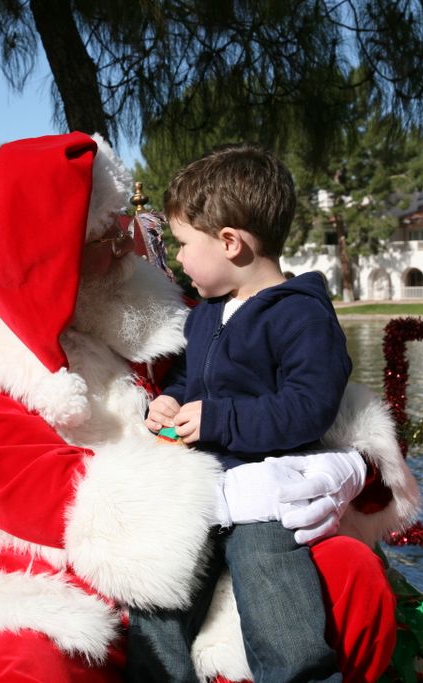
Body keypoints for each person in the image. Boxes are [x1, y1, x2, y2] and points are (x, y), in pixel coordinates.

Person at [0, 132, 421, 683]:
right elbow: (17, 482)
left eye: (124, 230)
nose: (131, 248)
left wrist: (346, 462)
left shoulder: (167, 309)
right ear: (48, 255)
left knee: (349, 573)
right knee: (25, 665)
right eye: (108, 239)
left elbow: (286, 386)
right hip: (48, 571)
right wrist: (205, 490)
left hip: (219, 545)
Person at [129, 143, 355, 683]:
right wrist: (172, 398)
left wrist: (219, 420)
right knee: (159, 594)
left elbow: (308, 408)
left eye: (183, 244)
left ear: (230, 243)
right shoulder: (206, 315)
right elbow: (191, 379)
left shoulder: (301, 317)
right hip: (200, 485)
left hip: (266, 491)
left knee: (277, 601)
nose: (177, 259)